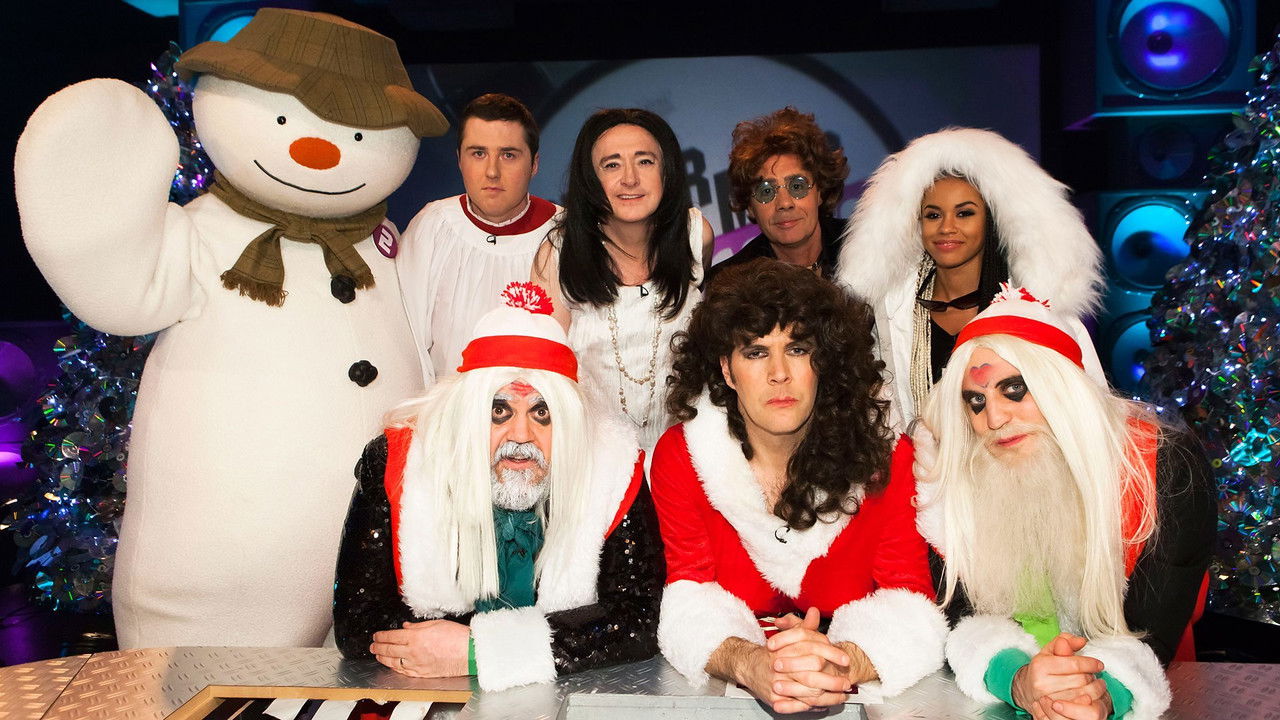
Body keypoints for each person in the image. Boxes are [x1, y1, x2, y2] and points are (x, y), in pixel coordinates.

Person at [333, 282, 665, 692]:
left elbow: (639, 620)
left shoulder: (612, 469)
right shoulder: (398, 463)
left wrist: (478, 651)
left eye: (541, 413)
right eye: (499, 411)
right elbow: (357, 623)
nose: (521, 436)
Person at [650, 259, 946, 714]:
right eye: (755, 352)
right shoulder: (683, 454)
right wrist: (751, 663)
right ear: (727, 370)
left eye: (798, 349)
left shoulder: (886, 457)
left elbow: (909, 602)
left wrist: (840, 663)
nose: (779, 373)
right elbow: (688, 596)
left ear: (824, 362)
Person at [915, 286, 1215, 720]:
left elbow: (1153, 630)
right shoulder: (950, 483)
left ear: (1060, 385)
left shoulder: (1162, 463)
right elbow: (964, 617)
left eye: (1014, 390)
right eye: (976, 402)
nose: (994, 419)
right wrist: (1017, 679)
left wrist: (1102, 694)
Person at [836, 127, 1104, 428]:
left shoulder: (1036, 306)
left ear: (991, 220)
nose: (946, 227)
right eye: (933, 215)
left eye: (964, 213)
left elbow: (1087, 409)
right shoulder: (892, 309)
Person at [532, 108, 714, 454]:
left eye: (645, 161)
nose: (630, 179)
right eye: (611, 165)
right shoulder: (558, 253)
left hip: (686, 453)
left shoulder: (695, 235)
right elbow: (546, 375)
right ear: (590, 178)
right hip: (592, 456)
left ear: (667, 170)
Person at [398, 93, 559, 383]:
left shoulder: (565, 235)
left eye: (508, 155)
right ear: (460, 160)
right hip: (445, 405)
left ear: (534, 164)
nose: (492, 172)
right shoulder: (434, 226)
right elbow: (405, 343)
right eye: (478, 154)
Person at [704, 107, 849, 287]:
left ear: (820, 192)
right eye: (766, 191)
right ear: (750, 206)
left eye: (797, 186)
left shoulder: (866, 243)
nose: (785, 203)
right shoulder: (730, 285)